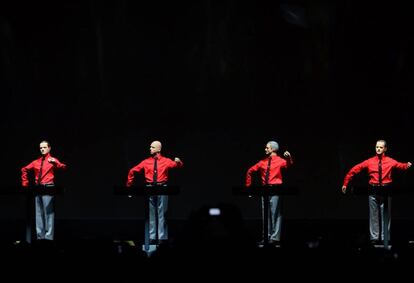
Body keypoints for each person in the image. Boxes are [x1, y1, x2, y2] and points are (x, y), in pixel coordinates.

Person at [341, 139, 411, 244]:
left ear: (385, 149)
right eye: (377, 147)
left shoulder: (390, 161)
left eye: (381, 147)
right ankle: (374, 238)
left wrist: (407, 165)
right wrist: (345, 183)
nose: (378, 149)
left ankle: (384, 238)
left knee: (386, 215)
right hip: (373, 190)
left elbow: (400, 165)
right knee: (373, 215)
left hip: (386, 190)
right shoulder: (370, 161)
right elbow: (355, 169)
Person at [126, 140, 183, 244]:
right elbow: (132, 171)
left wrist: (178, 162)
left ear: (158, 149)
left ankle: (162, 239)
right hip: (150, 188)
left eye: (152, 147)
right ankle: (152, 237)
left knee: (162, 214)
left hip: (162, 187)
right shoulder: (146, 161)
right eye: (150, 147)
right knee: (151, 214)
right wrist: (129, 187)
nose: (150, 149)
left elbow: (177, 165)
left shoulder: (166, 161)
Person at [246, 141, 293, 245]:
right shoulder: (262, 162)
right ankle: (266, 237)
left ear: (273, 149)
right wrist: (249, 188)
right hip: (265, 189)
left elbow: (288, 165)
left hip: (276, 189)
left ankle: (275, 238)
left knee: (275, 213)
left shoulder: (280, 161)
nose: (265, 149)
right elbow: (250, 171)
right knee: (265, 214)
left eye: (267, 148)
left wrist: (289, 157)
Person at [21, 140, 67, 241]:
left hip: (49, 187)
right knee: (38, 213)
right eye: (41, 148)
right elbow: (24, 169)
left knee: (49, 212)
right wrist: (25, 184)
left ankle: (49, 238)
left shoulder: (52, 160)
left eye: (44, 147)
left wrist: (55, 163)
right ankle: (40, 237)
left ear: (49, 148)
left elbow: (63, 167)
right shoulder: (36, 162)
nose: (42, 149)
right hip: (38, 188)